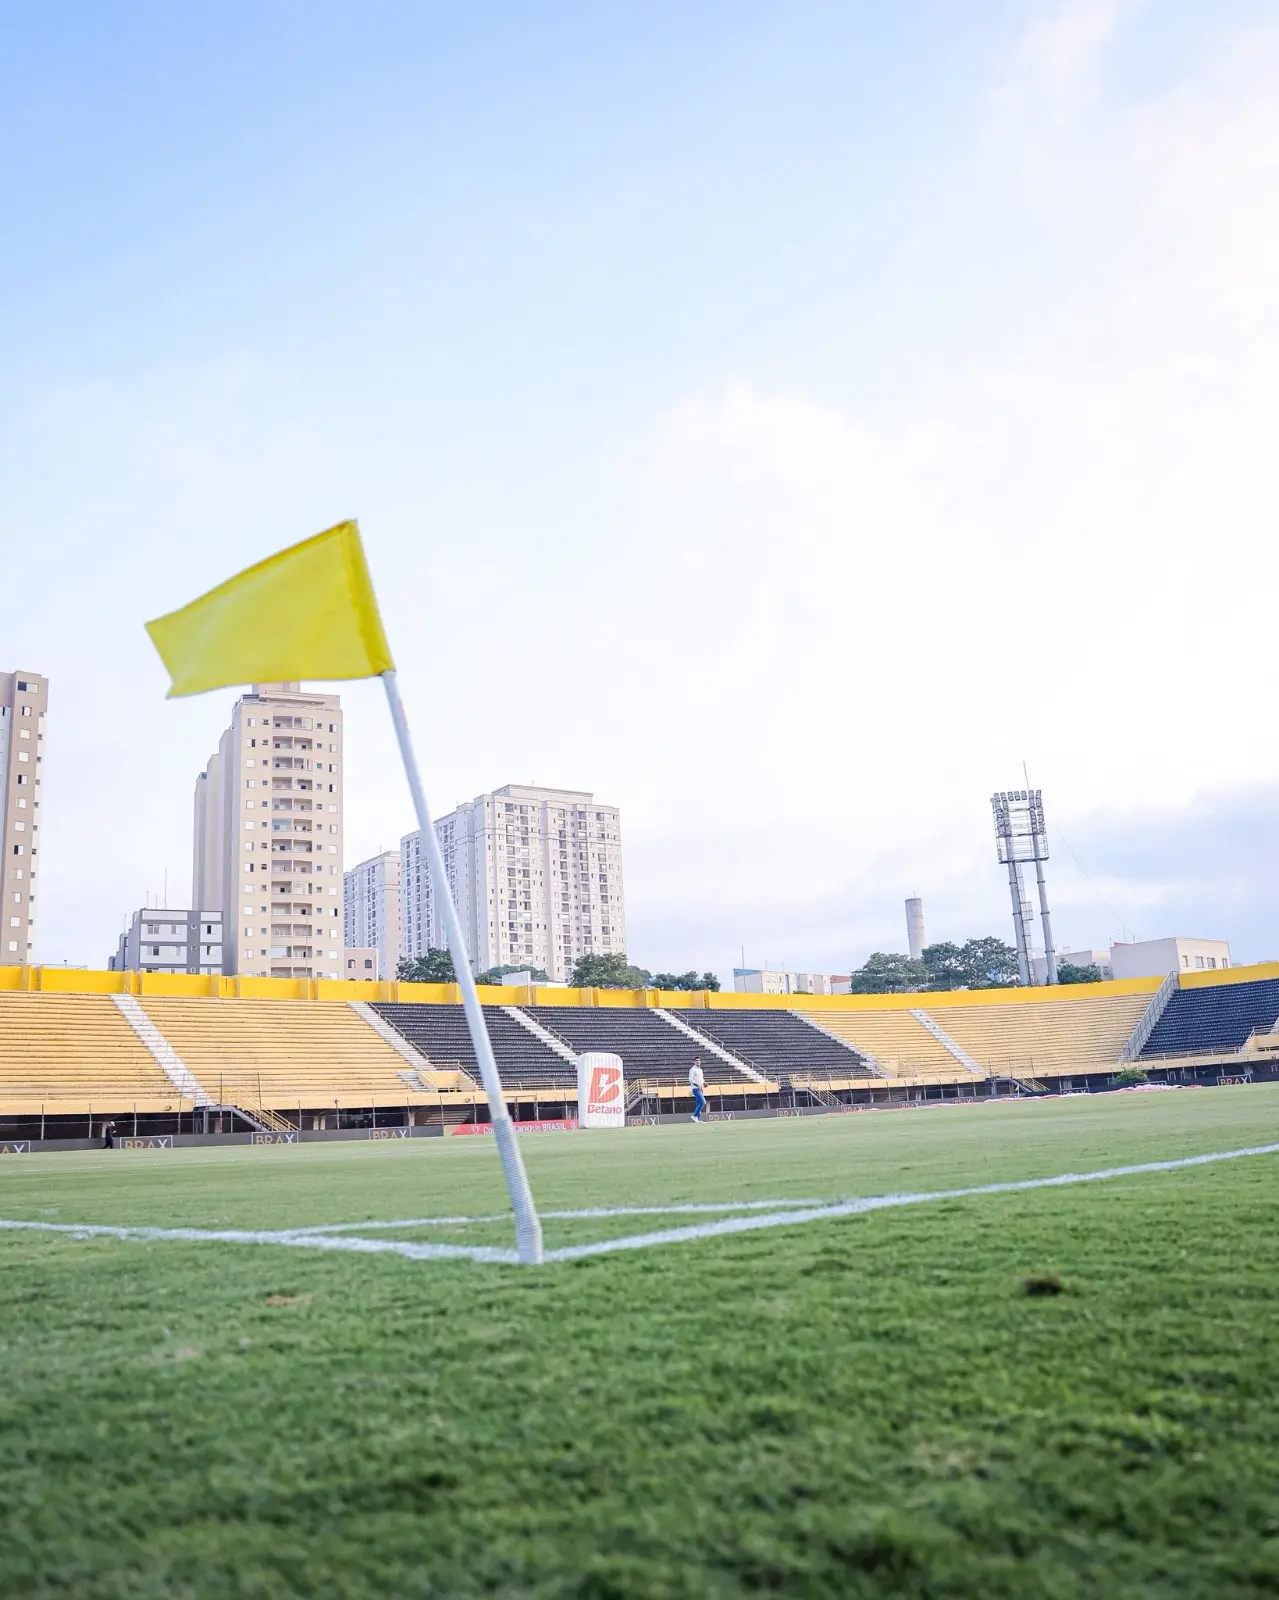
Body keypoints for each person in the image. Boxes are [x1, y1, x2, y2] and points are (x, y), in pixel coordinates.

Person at [689, 1057, 707, 1123]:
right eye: (696, 1060)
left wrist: (704, 1083)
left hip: (701, 1088)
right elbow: (691, 1079)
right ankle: (694, 1115)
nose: (698, 1062)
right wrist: (697, 1085)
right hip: (695, 1089)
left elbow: (701, 1079)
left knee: (698, 1103)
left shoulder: (700, 1070)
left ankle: (698, 1119)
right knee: (703, 1102)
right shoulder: (692, 1070)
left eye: (699, 1060)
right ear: (694, 1062)